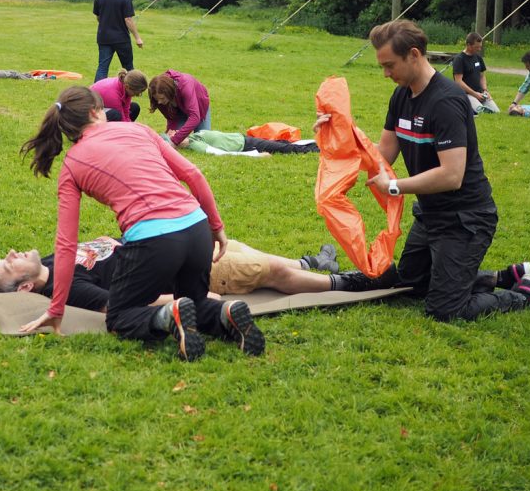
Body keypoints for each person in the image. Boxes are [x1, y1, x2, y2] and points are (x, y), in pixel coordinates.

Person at [314, 19, 530, 322]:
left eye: (390, 65)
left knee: (445, 309)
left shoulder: (446, 101)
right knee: (410, 285)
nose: (385, 74)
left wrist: (395, 187)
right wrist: (339, 132)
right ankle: (498, 277)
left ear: (415, 55)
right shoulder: (401, 96)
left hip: (466, 219)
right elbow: (382, 156)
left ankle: (525, 295)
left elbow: (451, 175)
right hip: (431, 216)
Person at [18, 86, 264, 360]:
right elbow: (193, 175)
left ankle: (169, 314)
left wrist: (56, 309)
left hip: (154, 240)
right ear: (94, 112)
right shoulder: (139, 130)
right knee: (194, 303)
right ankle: (225, 312)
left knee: (120, 315)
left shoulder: (72, 164)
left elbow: (66, 244)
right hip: (197, 228)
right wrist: (216, 227)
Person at [0, 237, 357, 307]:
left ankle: (310, 264)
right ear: (25, 287)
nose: (11, 253)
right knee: (269, 271)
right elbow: (119, 303)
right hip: (182, 271)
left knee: (238, 247)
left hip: (170, 247)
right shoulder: (66, 286)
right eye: (8, 264)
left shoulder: (48, 261)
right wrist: (186, 298)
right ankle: (345, 283)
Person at [93, 0, 143, 82]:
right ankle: (133, 89)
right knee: (129, 68)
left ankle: (96, 93)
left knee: (102, 67)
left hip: (104, 37)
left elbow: (98, 17)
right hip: (121, 39)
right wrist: (137, 38)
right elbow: (128, 20)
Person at [148, 70, 211, 148]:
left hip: (198, 106)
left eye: (162, 98)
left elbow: (195, 117)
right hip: (179, 111)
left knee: (204, 139)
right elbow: (170, 117)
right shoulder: (157, 94)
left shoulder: (185, 85)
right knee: (174, 137)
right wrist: (171, 131)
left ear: (169, 92)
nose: (159, 102)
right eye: (157, 99)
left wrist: (174, 141)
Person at [175, 129, 319, 157]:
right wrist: (256, 155)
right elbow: (221, 153)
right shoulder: (194, 145)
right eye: (173, 134)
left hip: (245, 139)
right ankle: (319, 149)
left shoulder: (194, 137)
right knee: (286, 148)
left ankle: (317, 143)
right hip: (248, 145)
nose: (173, 131)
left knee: (282, 143)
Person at [452, 32, 500, 114]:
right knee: (481, 111)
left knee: (496, 112)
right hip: (466, 94)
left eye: (480, 47)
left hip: (480, 93)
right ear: (468, 45)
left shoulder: (478, 57)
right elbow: (458, 81)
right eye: (476, 47)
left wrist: (485, 91)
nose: (479, 49)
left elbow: (482, 76)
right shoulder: (459, 59)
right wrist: (474, 94)